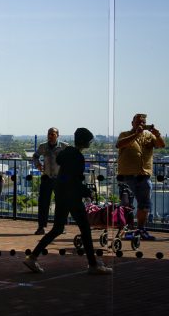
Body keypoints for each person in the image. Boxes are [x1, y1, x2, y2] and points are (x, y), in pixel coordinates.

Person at [24, 128, 112, 275]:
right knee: (85, 229)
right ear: (85, 142)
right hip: (72, 196)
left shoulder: (66, 152)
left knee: (57, 228)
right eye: (89, 141)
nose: (90, 143)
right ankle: (93, 264)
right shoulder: (77, 157)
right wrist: (86, 191)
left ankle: (32, 257)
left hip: (61, 193)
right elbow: (73, 179)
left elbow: (62, 168)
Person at [116, 113, 165, 242]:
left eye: (143, 122)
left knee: (144, 205)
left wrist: (157, 134)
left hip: (143, 176)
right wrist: (136, 134)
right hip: (127, 176)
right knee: (127, 204)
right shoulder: (125, 134)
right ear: (132, 123)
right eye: (138, 122)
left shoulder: (150, 136)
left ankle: (141, 229)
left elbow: (161, 145)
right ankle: (128, 230)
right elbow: (119, 145)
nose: (140, 124)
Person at [31, 127, 66, 235]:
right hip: (46, 177)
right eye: (49, 134)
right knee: (43, 203)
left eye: (52, 134)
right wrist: (38, 164)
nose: (50, 136)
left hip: (59, 178)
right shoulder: (43, 146)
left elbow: (71, 158)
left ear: (57, 135)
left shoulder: (64, 146)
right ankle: (41, 227)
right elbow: (35, 156)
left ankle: (60, 226)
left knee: (61, 203)